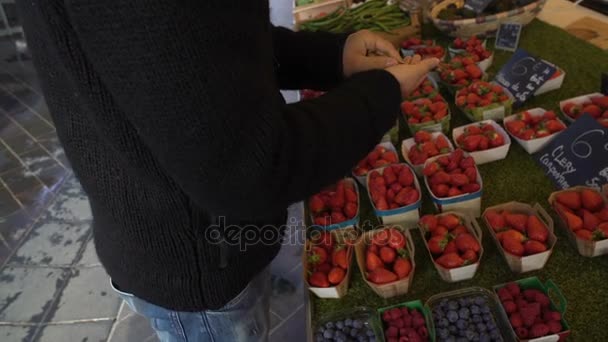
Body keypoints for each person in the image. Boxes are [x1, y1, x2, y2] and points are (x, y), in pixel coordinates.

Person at [18, 1, 438, 341]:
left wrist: (331, 56)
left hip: (189, 230)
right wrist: (381, 94)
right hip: (197, 259)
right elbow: (250, 170)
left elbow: (206, 47)